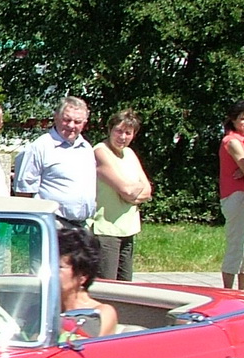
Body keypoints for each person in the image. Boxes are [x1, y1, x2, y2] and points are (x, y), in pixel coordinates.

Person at [12, 96, 97, 229]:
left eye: (77, 121)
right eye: (66, 119)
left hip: (81, 226)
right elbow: (24, 192)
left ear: (84, 123)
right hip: (52, 225)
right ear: (56, 117)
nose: (71, 126)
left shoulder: (86, 148)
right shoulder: (40, 147)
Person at [91, 109, 152, 280]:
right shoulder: (100, 151)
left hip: (128, 228)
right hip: (106, 229)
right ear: (110, 130)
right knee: (107, 285)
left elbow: (147, 191)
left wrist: (133, 192)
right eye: (118, 131)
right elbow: (126, 190)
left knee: (126, 285)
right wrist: (131, 191)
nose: (122, 137)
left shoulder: (129, 154)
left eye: (128, 133)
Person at [219, 100, 244, 290]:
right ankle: (228, 290)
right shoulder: (232, 141)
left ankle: (243, 291)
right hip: (236, 196)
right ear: (233, 120)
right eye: (243, 119)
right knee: (237, 244)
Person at [57, 225, 119, 338]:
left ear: (83, 276)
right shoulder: (39, 307)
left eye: (59, 267)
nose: (50, 272)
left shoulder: (101, 314)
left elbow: (86, 349)